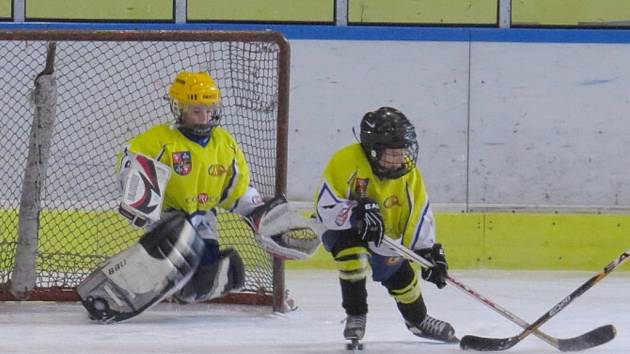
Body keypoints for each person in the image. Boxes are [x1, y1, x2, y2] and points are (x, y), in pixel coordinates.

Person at [78, 71, 303, 322]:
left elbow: (235, 191)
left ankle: (185, 289)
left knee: (204, 276)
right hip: (168, 218)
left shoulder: (224, 144)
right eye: (196, 110)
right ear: (180, 108)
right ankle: (159, 281)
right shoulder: (160, 140)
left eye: (209, 109)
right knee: (183, 248)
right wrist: (138, 192)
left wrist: (259, 211)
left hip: (204, 217)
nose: (204, 117)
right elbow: (129, 161)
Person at [315, 106, 457, 343]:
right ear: (373, 150)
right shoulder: (345, 161)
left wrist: (426, 251)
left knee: (400, 277)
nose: (400, 158)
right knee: (353, 255)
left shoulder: (409, 174)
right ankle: (356, 314)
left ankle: (418, 320)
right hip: (344, 229)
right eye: (392, 153)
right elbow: (325, 208)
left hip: (383, 234)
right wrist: (357, 211)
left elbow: (418, 212)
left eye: (402, 151)